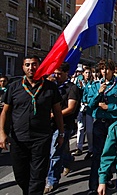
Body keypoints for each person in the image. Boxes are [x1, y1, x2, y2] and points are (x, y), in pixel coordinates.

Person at [0, 55, 64, 195]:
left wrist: (61, 133)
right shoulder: (14, 87)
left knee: (38, 176)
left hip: (41, 138)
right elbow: (5, 112)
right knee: (21, 175)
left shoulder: (50, 87)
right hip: (18, 139)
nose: (31, 68)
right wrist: (2, 134)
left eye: (34, 64)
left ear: (39, 66)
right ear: (23, 67)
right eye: (27, 65)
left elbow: (58, 112)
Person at [87, 59, 117, 195]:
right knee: (98, 154)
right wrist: (99, 93)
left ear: (113, 70)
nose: (105, 72)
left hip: (114, 122)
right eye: (102, 69)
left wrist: (109, 107)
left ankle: (110, 178)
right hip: (100, 123)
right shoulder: (94, 85)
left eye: (108, 69)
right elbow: (90, 106)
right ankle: (93, 185)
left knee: (114, 153)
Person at [45, 62, 81, 193]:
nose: (57, 76)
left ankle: (51, 181)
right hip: (49, 125)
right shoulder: (51, 87)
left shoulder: (72, 88)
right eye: (55, 73)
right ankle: (68, 160)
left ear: (67, 73)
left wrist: (54, 115)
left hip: (65, 125)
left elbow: (71, 108)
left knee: (54, 153)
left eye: (60, 73)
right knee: (60, 149)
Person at [73, 66, 94, 159]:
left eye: (89, 73)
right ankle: (79, 147)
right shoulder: (78, 83)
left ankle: (91, 149)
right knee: (80, 128)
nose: (88, 74)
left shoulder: (93, 84)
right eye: (86, 73)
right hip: (81, 108)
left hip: (89, 108)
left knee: (89, 130)